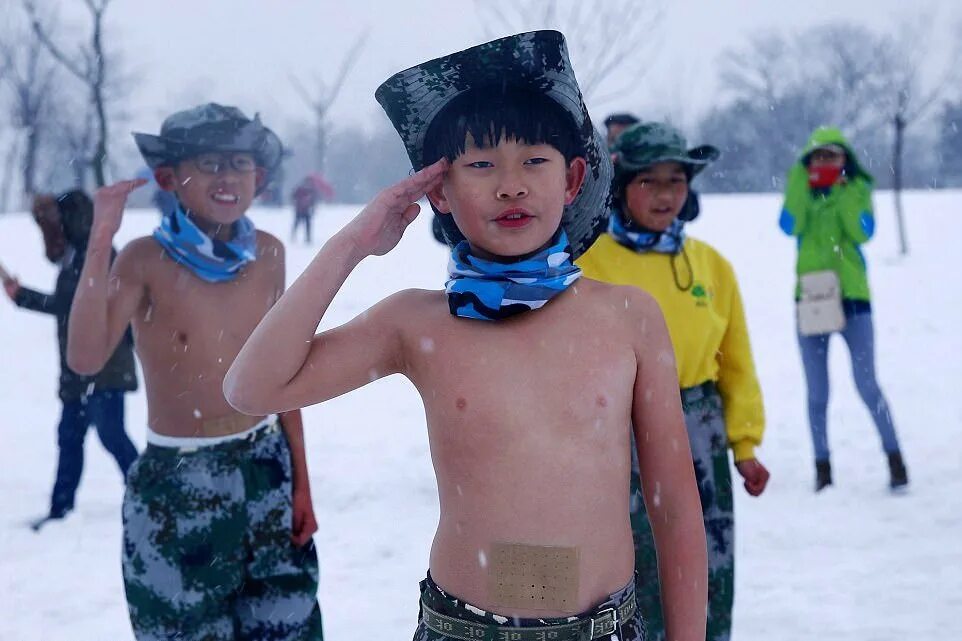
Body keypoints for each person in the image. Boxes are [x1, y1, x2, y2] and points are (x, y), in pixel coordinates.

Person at [225, 31, 707, 641]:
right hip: (463, 629)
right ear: (441, 193)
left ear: (573, 177)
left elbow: (676, 509)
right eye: (480, 165)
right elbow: (252, 388)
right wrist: (351, 245)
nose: (511, 184)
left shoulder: (628, 318)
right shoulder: (417, 323)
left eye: (535, 160)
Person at [66, 103, 323, 640]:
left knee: (288, 623)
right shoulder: (144, 260)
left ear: (259, 176)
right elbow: (86, 358)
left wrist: (302, 483)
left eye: (239, 162)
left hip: (265, 465)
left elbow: (285, 373)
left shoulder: (270, 255)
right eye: (208, 163)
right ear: (169, 179)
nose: (227, 176)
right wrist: (99, 239)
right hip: (178, 480)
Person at [578, 122, 769, 641]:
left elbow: (735, 360)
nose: (665, 196)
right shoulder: (586, 261)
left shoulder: (711, 266)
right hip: (621, 424)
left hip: (700, 426)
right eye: (650, 182)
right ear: (621, 186)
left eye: (676, 182)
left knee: (708, 554)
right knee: (635, 558)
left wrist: (745, 444)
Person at [779, 126, 908, 492]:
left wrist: (844, 190)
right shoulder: (801, 190)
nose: (825, 163)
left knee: (868, 385)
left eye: (833, 156)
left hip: (854, 301)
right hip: (812, 300)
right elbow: (789, 225)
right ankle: (823, 468)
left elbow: (863, 231)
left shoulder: (857, 190)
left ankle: (895, 459)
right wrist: (800, 182)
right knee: (817, 392)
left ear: (845, 159)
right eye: (818, 156)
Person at [2, 190, 139, 531]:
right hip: (79, 372)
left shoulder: (97, 256)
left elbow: (69, 306)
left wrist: (21, 296)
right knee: (70, 437)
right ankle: (60, 509)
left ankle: (148, 496)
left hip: (104, 368)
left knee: (112, 436)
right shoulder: (79, 254)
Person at [291, 173, 333, 244]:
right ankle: (301, 237)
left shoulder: (306, 189)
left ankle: (303, 237)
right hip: (303, 210)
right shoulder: (308, 189)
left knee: (302, 224)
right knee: (303, 224)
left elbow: (294, 196)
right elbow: (295, 196)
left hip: (303, 210)